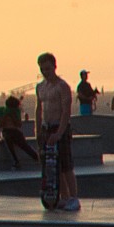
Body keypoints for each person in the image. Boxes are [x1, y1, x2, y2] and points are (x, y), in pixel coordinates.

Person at [35, 52, 79, 211]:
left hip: (59, 127)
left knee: (66, 165)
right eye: (42, 69)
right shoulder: (40, 87)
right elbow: (39, 109)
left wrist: (59, 133)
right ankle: (64, 196)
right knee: (53, 166)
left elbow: (66, 111)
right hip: (46, 128)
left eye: (48, 68)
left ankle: (73, 197)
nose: (45, 72)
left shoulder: (62, 86)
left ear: (54, 67)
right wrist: (38, 131)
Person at [0, 93, 39, 169]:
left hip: (15, 131)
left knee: (24, 145)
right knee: (8, 141)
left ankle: (36, 158)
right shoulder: (0, 110)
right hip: (5, 131)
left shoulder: (16, 111)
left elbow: (18, 125)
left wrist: (13, 116)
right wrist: (6, 115)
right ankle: (15, 161)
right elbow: (0, 125)